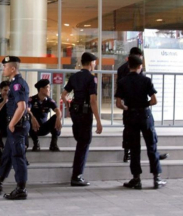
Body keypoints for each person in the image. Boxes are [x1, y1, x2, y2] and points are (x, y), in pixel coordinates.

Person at [0, 56, 30, 200]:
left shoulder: (17, 85)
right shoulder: (14, 83)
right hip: (15, 125)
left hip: (17, 126)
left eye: (5, 66)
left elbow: (22, 107)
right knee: (7, 155)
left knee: (18, 157)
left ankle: (21, 189)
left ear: (13, 68)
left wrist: (12, 124)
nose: (3, 69)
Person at [115, 55, 167, 189]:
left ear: (128, 66)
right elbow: (154, 101)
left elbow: (118, 103)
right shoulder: (146, 80)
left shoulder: (122, 81)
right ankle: (157, 178)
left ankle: (136, 179)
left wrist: (127, 107)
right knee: (151, 146)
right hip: (145, 115)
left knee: (134, 147)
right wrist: (144, 104)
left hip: (130, 116)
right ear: (140, 67)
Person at [61, 52, 103, 187]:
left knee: (81, 142)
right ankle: (77, 176)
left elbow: (64, 94)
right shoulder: (92, 78)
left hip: (75, 112)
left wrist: (68, 106)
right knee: (84, 143)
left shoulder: (74, 76)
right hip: (85, 113)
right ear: (91, 63)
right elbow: (93, 100)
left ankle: (76, 172)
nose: (95, 65)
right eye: (95, 62)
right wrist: (98, 120)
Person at [28, 79, 62, 152]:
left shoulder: (49, 100)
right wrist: (32, 117)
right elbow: (27, 109)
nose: (49, 89)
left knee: (56, 117)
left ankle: (54, 144)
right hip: (34, 128)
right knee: (28, 116)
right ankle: (36, 144)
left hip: (44, 127)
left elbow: (57, 110)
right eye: (47, 87)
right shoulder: (32, 99)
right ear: (41, 89)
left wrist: (58, 118)